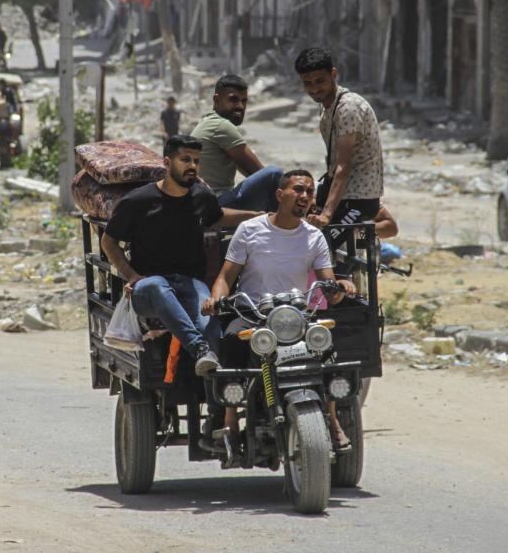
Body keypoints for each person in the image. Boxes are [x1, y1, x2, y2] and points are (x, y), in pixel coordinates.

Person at [203, 169, 358, 453]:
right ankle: (228, 421)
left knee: (328, 351)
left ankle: (332, 420)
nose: (305, 197)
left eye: (310, 192)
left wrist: (340, 286)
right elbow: (226, 276)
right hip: (254, 314)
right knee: (231, 345)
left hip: (297, 315)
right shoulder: (250, 230)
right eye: (298, 190)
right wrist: (216, 300)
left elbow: (327, 284)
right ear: (279, 194)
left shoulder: (314, 237)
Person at [100, 135, 261, 377]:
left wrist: (255, 215)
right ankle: (199, 349)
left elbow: (216, 216)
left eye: (196, 160)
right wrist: (132, 276)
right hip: (148, 289)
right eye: (185, 159)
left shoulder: (200, 196)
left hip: (189, 283)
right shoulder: (138, 201)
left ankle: (217, 403)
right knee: (156, 285)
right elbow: (108, 241)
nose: (193, 166)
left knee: (210, 322)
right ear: (167, 162)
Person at [294, 48, 384, 247]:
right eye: (307, 83)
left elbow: (344, 166)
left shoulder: (347, 107)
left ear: (333, 74)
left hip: (358, 199)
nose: (314, 89)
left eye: (320, 81)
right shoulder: (328, 106)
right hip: (341, 194)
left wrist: (326, 215)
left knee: (324, 247)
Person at [189, 75, 283, 212]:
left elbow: (249, 172)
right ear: (216, 100)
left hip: (204, 202)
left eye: (244, 101)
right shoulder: (221, 125)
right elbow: (260, 172)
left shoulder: (209, 121)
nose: (240, 106)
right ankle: (281, 226)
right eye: (233, 100)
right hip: (215, 203)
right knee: (274, 174)